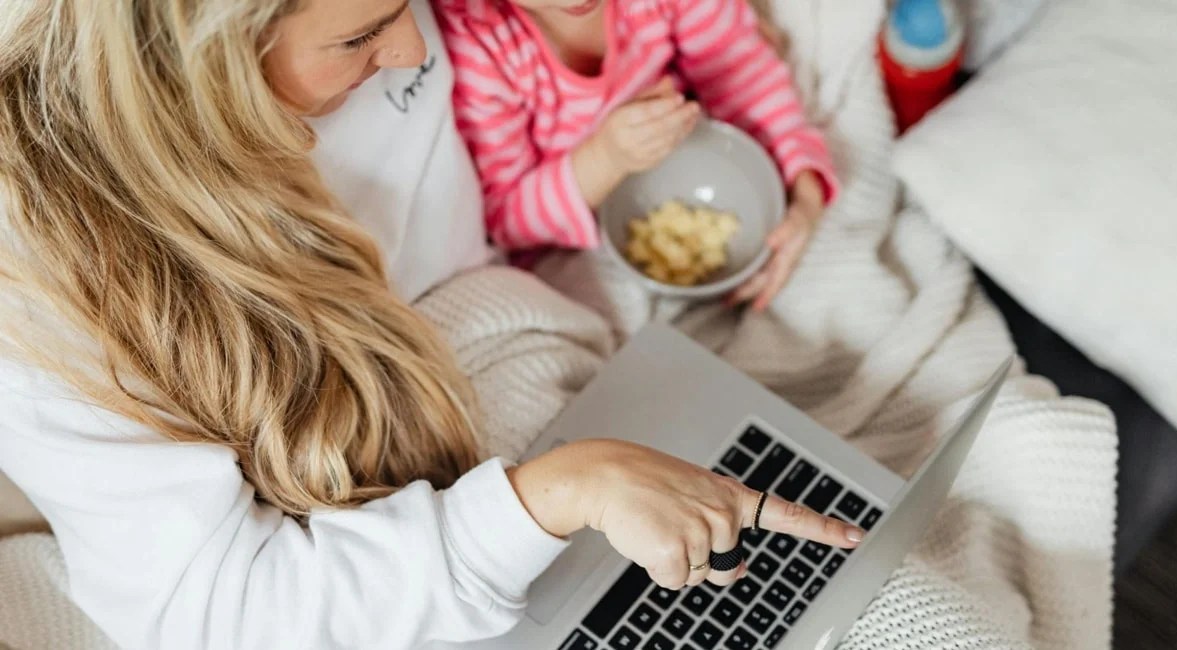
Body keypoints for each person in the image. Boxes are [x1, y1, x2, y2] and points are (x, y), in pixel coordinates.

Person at [0, 1, 863, 648]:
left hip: (518, 364)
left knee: (856, 582)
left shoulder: (400, 32)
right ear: (197, 54)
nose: (418, 46)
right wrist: (563, 491)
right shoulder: (46, 287)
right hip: (410, 554)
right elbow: (218, 612)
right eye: (359, 37)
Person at [438, 0, 839, 311]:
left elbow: (739, 66)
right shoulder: (478, 44)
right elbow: (505, 217)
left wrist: (804, 190)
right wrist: (604, 159)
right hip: (566, 245)